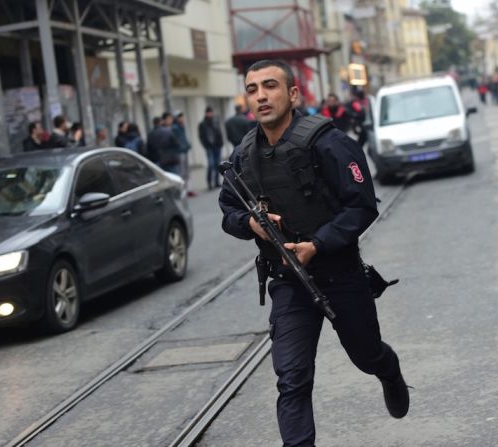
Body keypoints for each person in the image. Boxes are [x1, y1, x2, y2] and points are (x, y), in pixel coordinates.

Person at [218, 59, 409, 447]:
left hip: (339, 274)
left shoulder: (329, 142)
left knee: (366, 355)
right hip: (288, 280)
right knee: (291, 379)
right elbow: (228, 210)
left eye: (269, 86)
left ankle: (388, 371)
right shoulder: (244, 153)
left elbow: (362, 206)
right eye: (252, 89)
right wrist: (250, 225)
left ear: (292, 94)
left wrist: (318, 244)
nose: (260, 96)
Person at [198, 106, 224, 189]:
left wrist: (221, 142)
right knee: (211, 165)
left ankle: (216, 182)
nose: (210, 114)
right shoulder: (202, 124)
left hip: (217, 146)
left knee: (217, 164)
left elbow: (219, 132)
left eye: (211, 112)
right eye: (209, 112)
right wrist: (205, 145)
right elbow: (201, 136)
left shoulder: (215, 121)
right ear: (206, 113)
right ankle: (209, 183)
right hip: (209, 147)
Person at [172, 112, 196, 196]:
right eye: (180, 117)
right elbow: (177, 140)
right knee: (182, 171)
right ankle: (183, 190)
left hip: (184, 150)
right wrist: (182, 146)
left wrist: (187, 145)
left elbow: (183, 138)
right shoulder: (175, 128)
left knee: (186, 171)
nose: (182, 119)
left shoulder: (182, 126)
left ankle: (188, 189)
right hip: (180, 151)